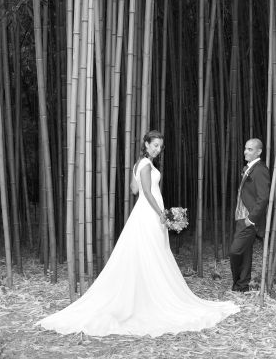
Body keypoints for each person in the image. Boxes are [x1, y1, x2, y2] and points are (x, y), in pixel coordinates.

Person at [37, 130, 239, 337]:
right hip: (149, 212)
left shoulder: (141, 164)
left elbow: (134, 189)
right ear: (146, 143)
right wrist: (162, 213)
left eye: (160, 146)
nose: (158, 149)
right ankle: (150, 298)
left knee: (152, 252)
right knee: (152, 251)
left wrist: (153, 199)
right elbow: (147, 192)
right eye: (154, 145)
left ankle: (148, 294)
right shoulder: (144, 164)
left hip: (147, 210)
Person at [229, 138, 270, 293]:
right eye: (246, 148)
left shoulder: (260, 170)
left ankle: (239, 283)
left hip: (248, 219)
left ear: (259, 152)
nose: (246, 152)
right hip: (241, 217)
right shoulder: (249, 168)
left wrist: (251, 219)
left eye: (250, 149)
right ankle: (241, 286)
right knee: (245, 253)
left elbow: (263, 197)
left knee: (235, 251)